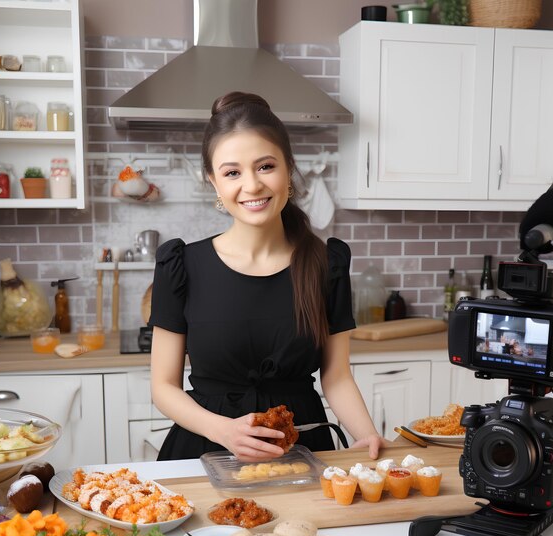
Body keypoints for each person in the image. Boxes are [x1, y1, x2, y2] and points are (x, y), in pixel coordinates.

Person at [149, 91, 388, 462]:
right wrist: (223, 430)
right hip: (204, 452)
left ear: (288, 168)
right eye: (232, 172)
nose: (253, 185)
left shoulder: (327, 264)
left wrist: (367, 434)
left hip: (303, 450)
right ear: (213, 181)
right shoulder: (181, 266)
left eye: (265, 166)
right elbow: (163, 387)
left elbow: (337, 376)